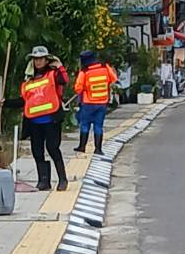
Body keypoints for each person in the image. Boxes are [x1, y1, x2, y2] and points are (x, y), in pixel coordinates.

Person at [20, 45, 69, 191]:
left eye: (41, 58)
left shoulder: (53, 74)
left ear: (47, 60)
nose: (38, 62)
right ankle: (43, 181)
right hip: (34, 122)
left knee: (53, 148)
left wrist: (60, 67)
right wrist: (6, 103)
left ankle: (62, 179)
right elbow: (24, 100)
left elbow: (64, 80)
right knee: (37, 151)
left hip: (51, 120)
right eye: (36, 59)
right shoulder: (29, 79)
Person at [73, 49, 118, 156]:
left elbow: (78, 88)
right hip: (102, 103)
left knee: (85, 125)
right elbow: (113, 79)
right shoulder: (105, 67)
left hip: (88, 103)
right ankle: (98, 149)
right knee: (98, 126)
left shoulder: (84, 71)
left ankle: (82, 147)